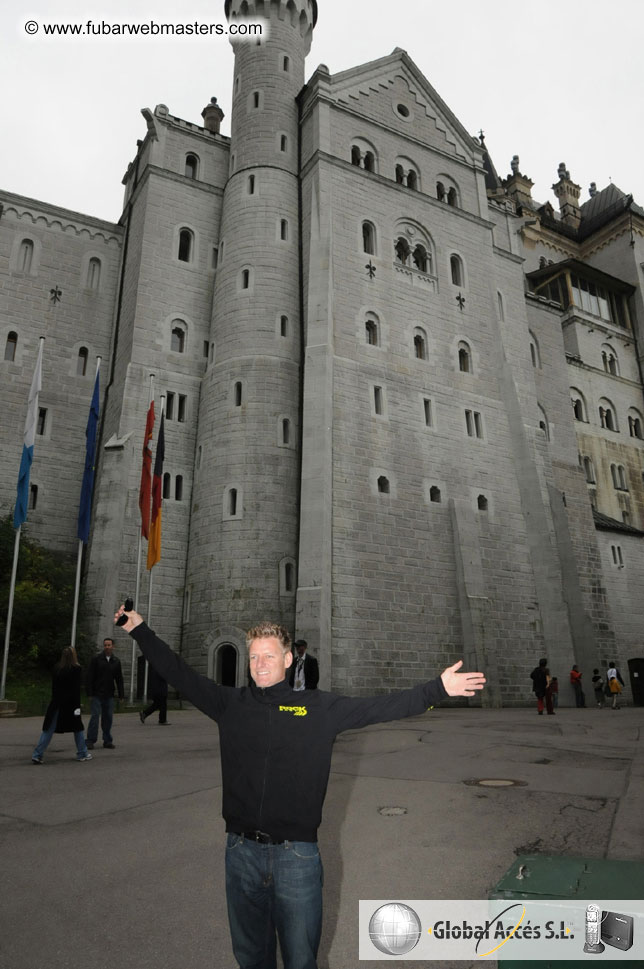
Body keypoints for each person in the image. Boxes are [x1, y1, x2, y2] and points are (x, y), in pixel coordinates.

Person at [114, 604, 485, 969]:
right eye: (254, 656)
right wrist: (139, 629)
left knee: (300, 958)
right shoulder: (230, 705)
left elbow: (381, 707)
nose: (260, 663)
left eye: (269, 656)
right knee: (250, 957)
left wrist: (437, 688)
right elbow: (178, 673)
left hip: (297, 857)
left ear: (288, 660)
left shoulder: (317, 708)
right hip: (240, 852)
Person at [32, 646, 92, 763]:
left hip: (57, 702)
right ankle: (82, 753)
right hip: (70, 704)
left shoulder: (57, 668)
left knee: (48, 729)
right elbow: (75, 689)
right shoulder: (76, 669)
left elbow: (54, 688)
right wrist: (77, 706)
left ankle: (37, 754)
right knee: (78, 728)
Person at [86, 637, 125, 749]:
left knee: (108, 718)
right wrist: (89, 693)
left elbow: (119, 679)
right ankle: (90, 740)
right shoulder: (96, 659)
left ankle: (107, 740)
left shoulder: (116, 661)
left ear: (113, 647)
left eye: (109, 645)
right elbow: (90, 677)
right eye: (105, 645)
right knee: (95, 717)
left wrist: (121, 695)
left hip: (109, 694)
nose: (107, 647)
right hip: (97, 694)